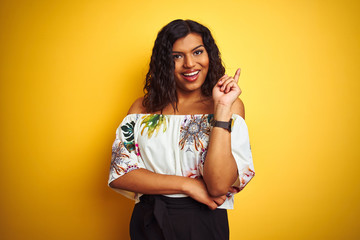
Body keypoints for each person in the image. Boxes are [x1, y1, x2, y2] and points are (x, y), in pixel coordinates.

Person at [108, 19, 255, 240]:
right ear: (164, 62)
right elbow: (121, 174)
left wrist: (222, 108)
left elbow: (218, 186)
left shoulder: (230, 106)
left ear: (209, 56)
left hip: (204, 222)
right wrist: (188, 185)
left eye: (197, 52)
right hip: (148, 220)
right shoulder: (142, 108)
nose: (189, 64)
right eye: (176, 56)